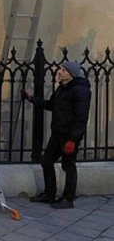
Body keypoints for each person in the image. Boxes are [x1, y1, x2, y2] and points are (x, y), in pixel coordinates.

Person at [22, 61, 91, 209]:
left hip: (69, 136)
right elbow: (51, 105)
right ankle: (49, 194)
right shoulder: (62, 88)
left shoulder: (81, 91)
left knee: (68, 165)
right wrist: (32, 99)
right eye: (60, 68)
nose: (58, 71)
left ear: (70, 74)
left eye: (63, 70)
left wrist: (73, 140)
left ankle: (68, 199)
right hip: (57, 133)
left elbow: (81, 119)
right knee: (46, 161)